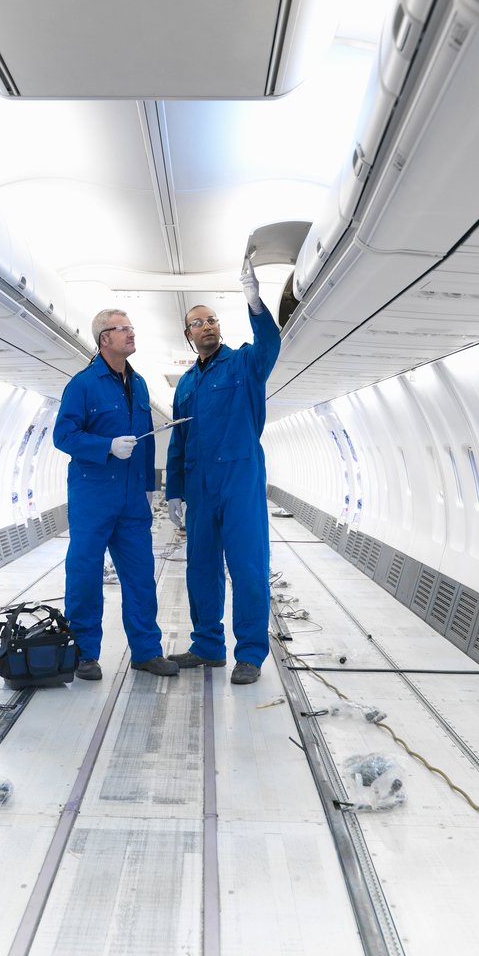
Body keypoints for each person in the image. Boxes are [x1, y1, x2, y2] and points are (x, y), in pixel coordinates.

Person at [165, 261, 281, 684]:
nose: (207, 326)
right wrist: (173, 489)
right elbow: (178, 441)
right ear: (188, 335)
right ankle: (207, 646)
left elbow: (269, 345)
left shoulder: (245, 365)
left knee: (248, 568)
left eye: (212, 320)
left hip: (240, 483)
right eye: (198, 323)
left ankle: (249, 653)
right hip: (199, 487)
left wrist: (255, 302)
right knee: (200, 569)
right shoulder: (185, 385)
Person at [52, 309, 179, 680]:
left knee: (140, 575)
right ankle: (84, 653)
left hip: (131, 499)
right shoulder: (83, 384)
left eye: (132, 328)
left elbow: (145, 442)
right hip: (93, 496)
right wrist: (105, 445)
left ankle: (146, 651)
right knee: (85, 574)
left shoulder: (138, 385)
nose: (131, 334)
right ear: (103, 338)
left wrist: (150, 489)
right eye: (122, 329)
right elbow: (64, 436)